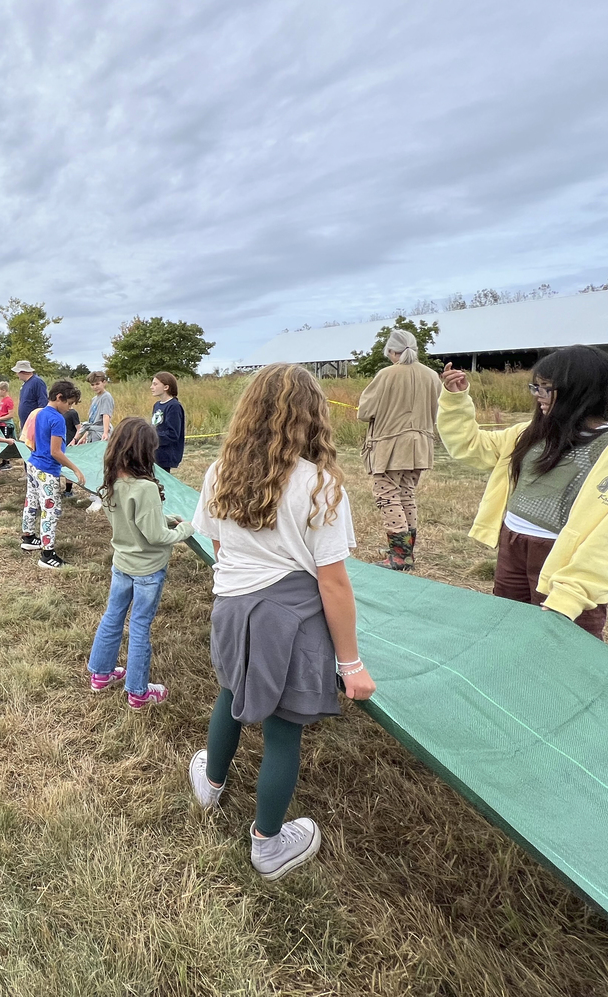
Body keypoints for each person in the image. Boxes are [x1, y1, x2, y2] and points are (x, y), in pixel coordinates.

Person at [186, 363, 375, 881]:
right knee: (284, 730)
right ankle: (268, 846)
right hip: (291, 619)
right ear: (313, 416)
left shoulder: (219, 469)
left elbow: (220, 545)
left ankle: (211, 785)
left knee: (230, 691)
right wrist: (351, 664)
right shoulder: (320, 485)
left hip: (230, 605)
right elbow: (333, 583)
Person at [438, 346, 608, 639]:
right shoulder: (531, 434)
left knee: (564, 643)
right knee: (509, 632)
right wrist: (455, 400)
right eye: (536, 387)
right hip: (513, 543)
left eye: (545, 389)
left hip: (563, 557)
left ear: (578, 391)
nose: (538, 396)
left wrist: (573, 594)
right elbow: (470, 446)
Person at [87, 418, 197, 710]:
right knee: (139, 626)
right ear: (144, 452)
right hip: (148, 570)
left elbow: (135, 522)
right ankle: (138, 692)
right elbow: (155, 535)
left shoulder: (112, 480)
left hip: (122, 563)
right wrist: (185, 529)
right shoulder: (145, 488)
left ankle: (101, 674)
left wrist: (166, 518)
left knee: (113, 616)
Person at [355, 329, 441, 570]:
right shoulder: (432, 376)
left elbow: (364, 413)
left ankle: (400, 555)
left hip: (391, 446)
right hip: (420, 445)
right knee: (406, 494)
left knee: (387, 496)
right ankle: (405, 549)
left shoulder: (386, 375)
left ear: (392, 352)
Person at [22, 379, 86, 569]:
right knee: (50, 511)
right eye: (69, 403)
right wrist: (75, 469)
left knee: (31, 502)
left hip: (33, 465)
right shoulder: (57, 419)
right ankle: (47, 554)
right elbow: (56, 452)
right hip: (47, 470)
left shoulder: (40, 413)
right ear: (59, 397)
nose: (70, 407)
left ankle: (28, 537)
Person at [150, 371, 185, 473]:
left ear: (166, 387)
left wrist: (151, 438)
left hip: (165, 455)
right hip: (154, 453)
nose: (151, 387)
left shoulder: (174, 406)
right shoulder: (157, 405)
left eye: (155, 384)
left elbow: (173, 434)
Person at [75, 371, 115, 443]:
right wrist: (84, 437)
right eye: (92, 385)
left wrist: (105, 433)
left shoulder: (106, 397)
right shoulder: (94, 399)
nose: (95, 387)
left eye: (97, 384)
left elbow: (106, 415)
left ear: (104, 382)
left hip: (101, 433)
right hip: (92, 434)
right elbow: (91, 423)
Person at [13, 360, 49, 426]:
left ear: (22, 372)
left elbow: (43, 402)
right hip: (25, 422)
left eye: (17, 372)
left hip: (34, 423)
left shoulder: (37, 382)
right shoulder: (25, 383)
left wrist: (39, 420)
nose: (16, 374)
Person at [0, 380, 17, 471]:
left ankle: (7, 462)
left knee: (6, 441)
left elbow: (10, 414)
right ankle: (3, 461)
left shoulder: (9, 400)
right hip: (0, 424)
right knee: (1, 441)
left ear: (4, 390)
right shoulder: (2, 400)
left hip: (6, 424)